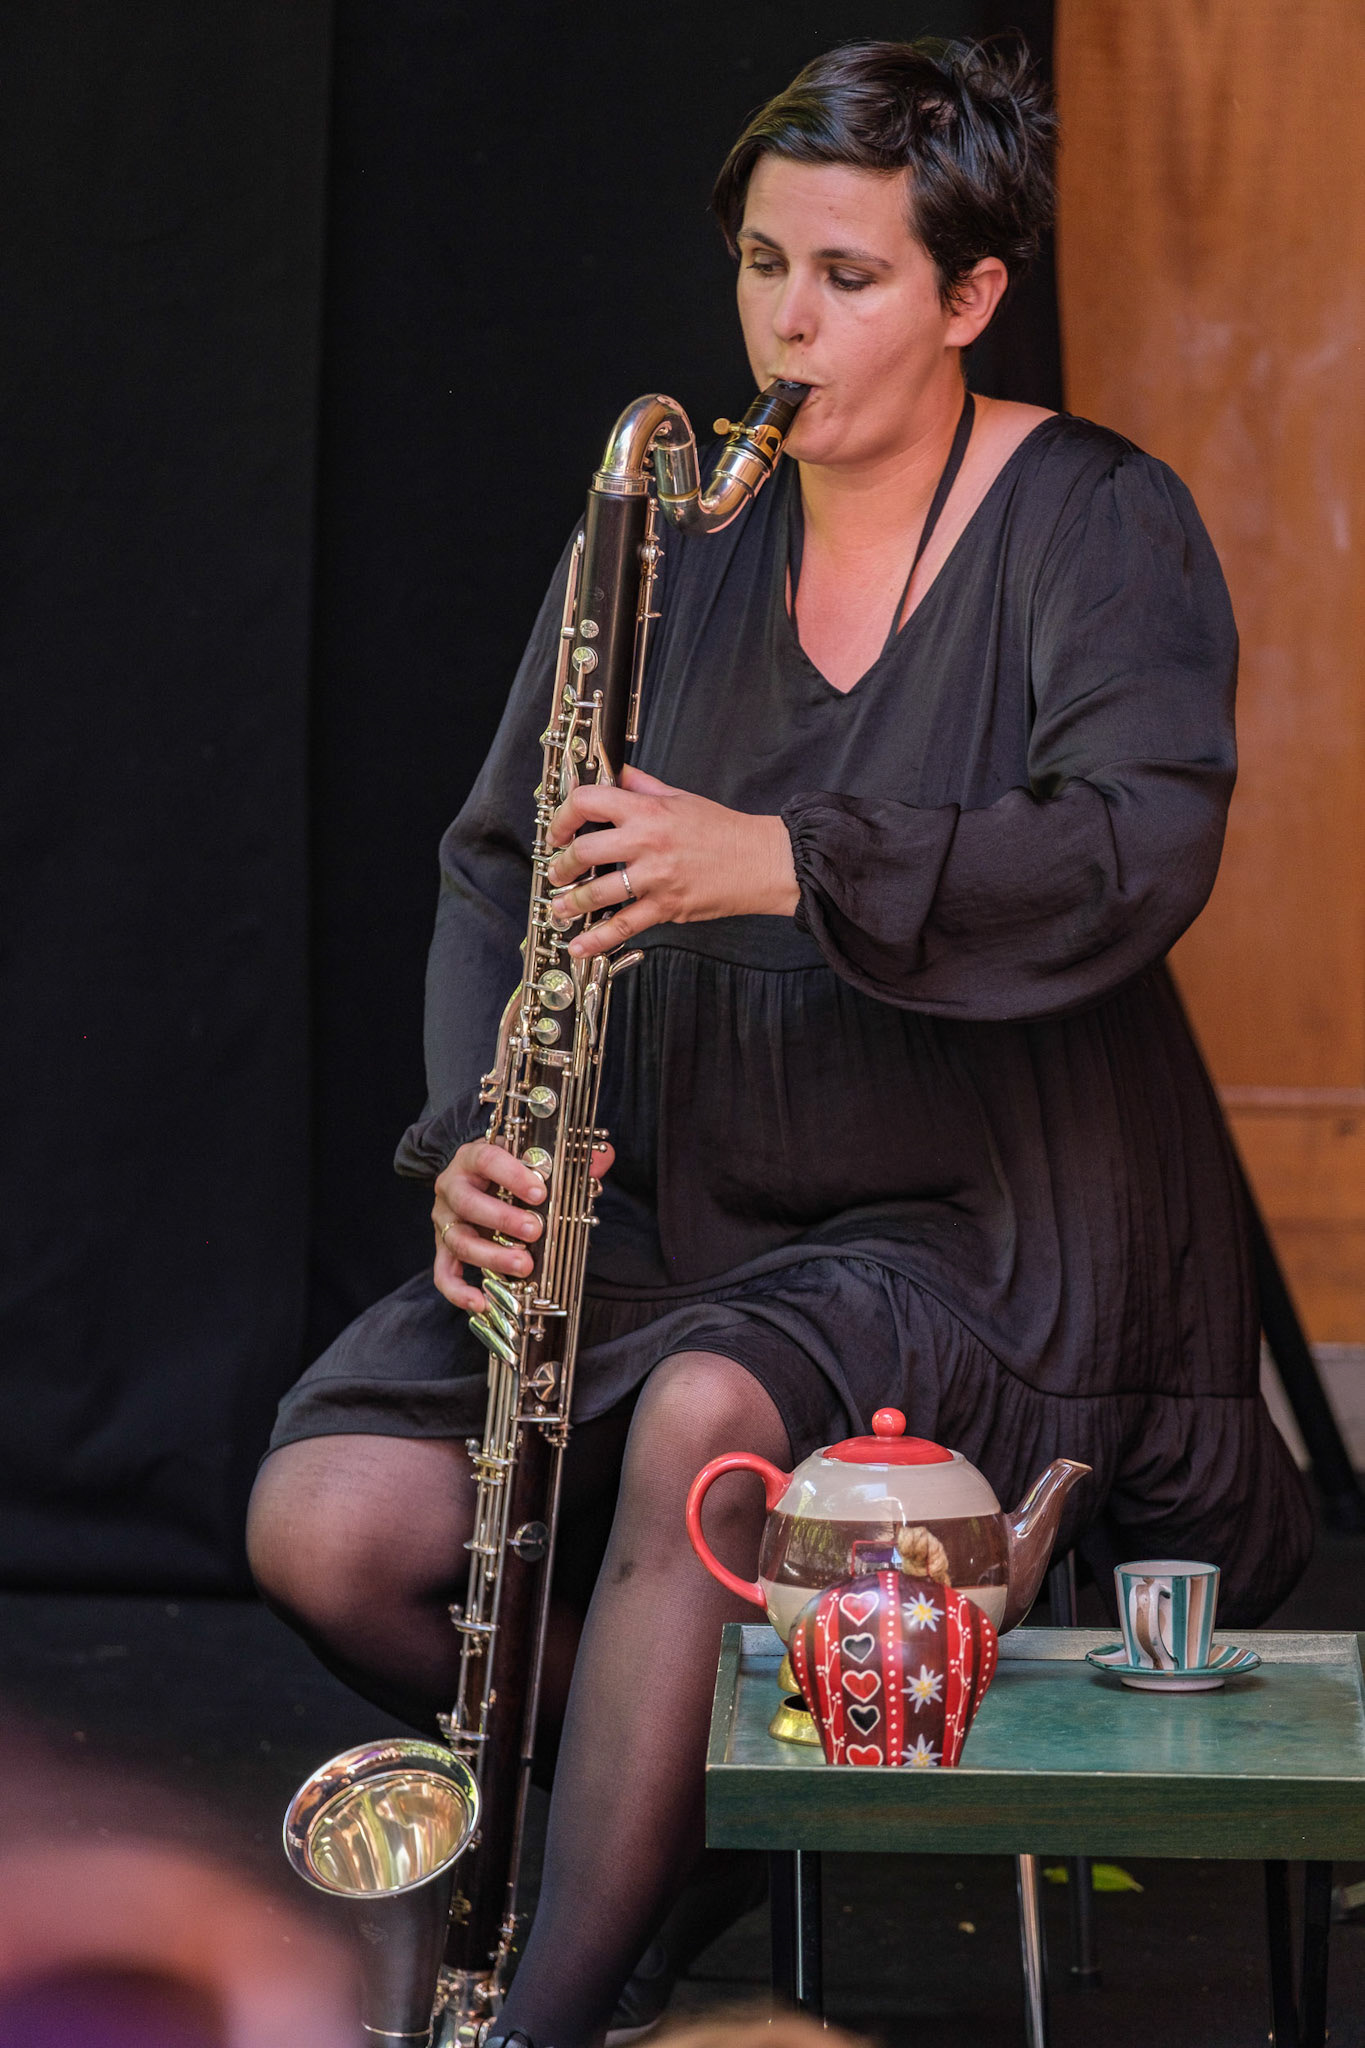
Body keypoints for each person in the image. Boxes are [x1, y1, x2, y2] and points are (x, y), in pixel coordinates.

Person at [247, 36, 1312, 2048]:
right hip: (694, 1195)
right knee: (330, 1526)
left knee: (698, 1419)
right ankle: (688, 1811)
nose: (783, 325)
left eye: (845, 276)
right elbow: (502, 868)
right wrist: (477, 1131)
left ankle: (545, 2009)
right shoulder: (662, 533)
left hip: (994, 1223)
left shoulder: (1094, 517)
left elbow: (1134, 844)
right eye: (759, 266)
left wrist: (780, 857)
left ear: (970, 296)